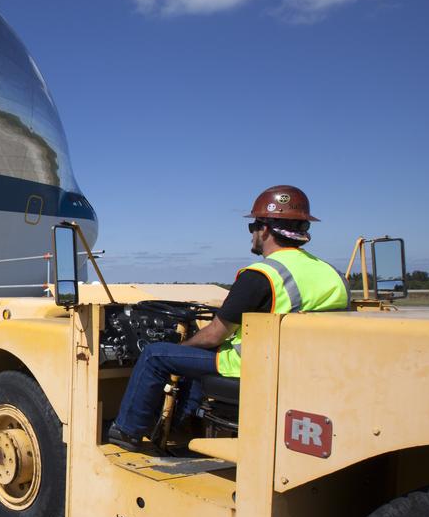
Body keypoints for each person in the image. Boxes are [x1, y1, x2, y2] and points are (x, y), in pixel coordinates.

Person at [107, 185, 349, 454]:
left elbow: (214, 334)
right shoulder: (332, 273)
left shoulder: (261, 276)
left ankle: (127, 431)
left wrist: (182, 348)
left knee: (155, 355)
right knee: (199, 356)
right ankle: (182, 425)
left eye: (253, 228)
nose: (253, 235)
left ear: (265, 230)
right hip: (308, 368)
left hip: (254, 366)